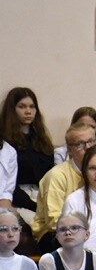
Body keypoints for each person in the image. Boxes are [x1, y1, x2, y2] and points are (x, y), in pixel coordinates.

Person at [31, 122, 96, 252]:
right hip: (56, 234)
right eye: (80, 144)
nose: (88, 147)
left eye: (91, 141)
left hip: (90, 231)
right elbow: (54, 220)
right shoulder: (57, 175)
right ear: (69, 150)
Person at [0, 87, 55, 219]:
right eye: (22, 107)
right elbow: (8, 183)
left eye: (32, 106)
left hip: (43, 196)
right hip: (17, 199)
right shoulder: (6, 143)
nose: (28, 111)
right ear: (12, 110)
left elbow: (51, 175)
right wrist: (34, 207)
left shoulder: (42, 140)